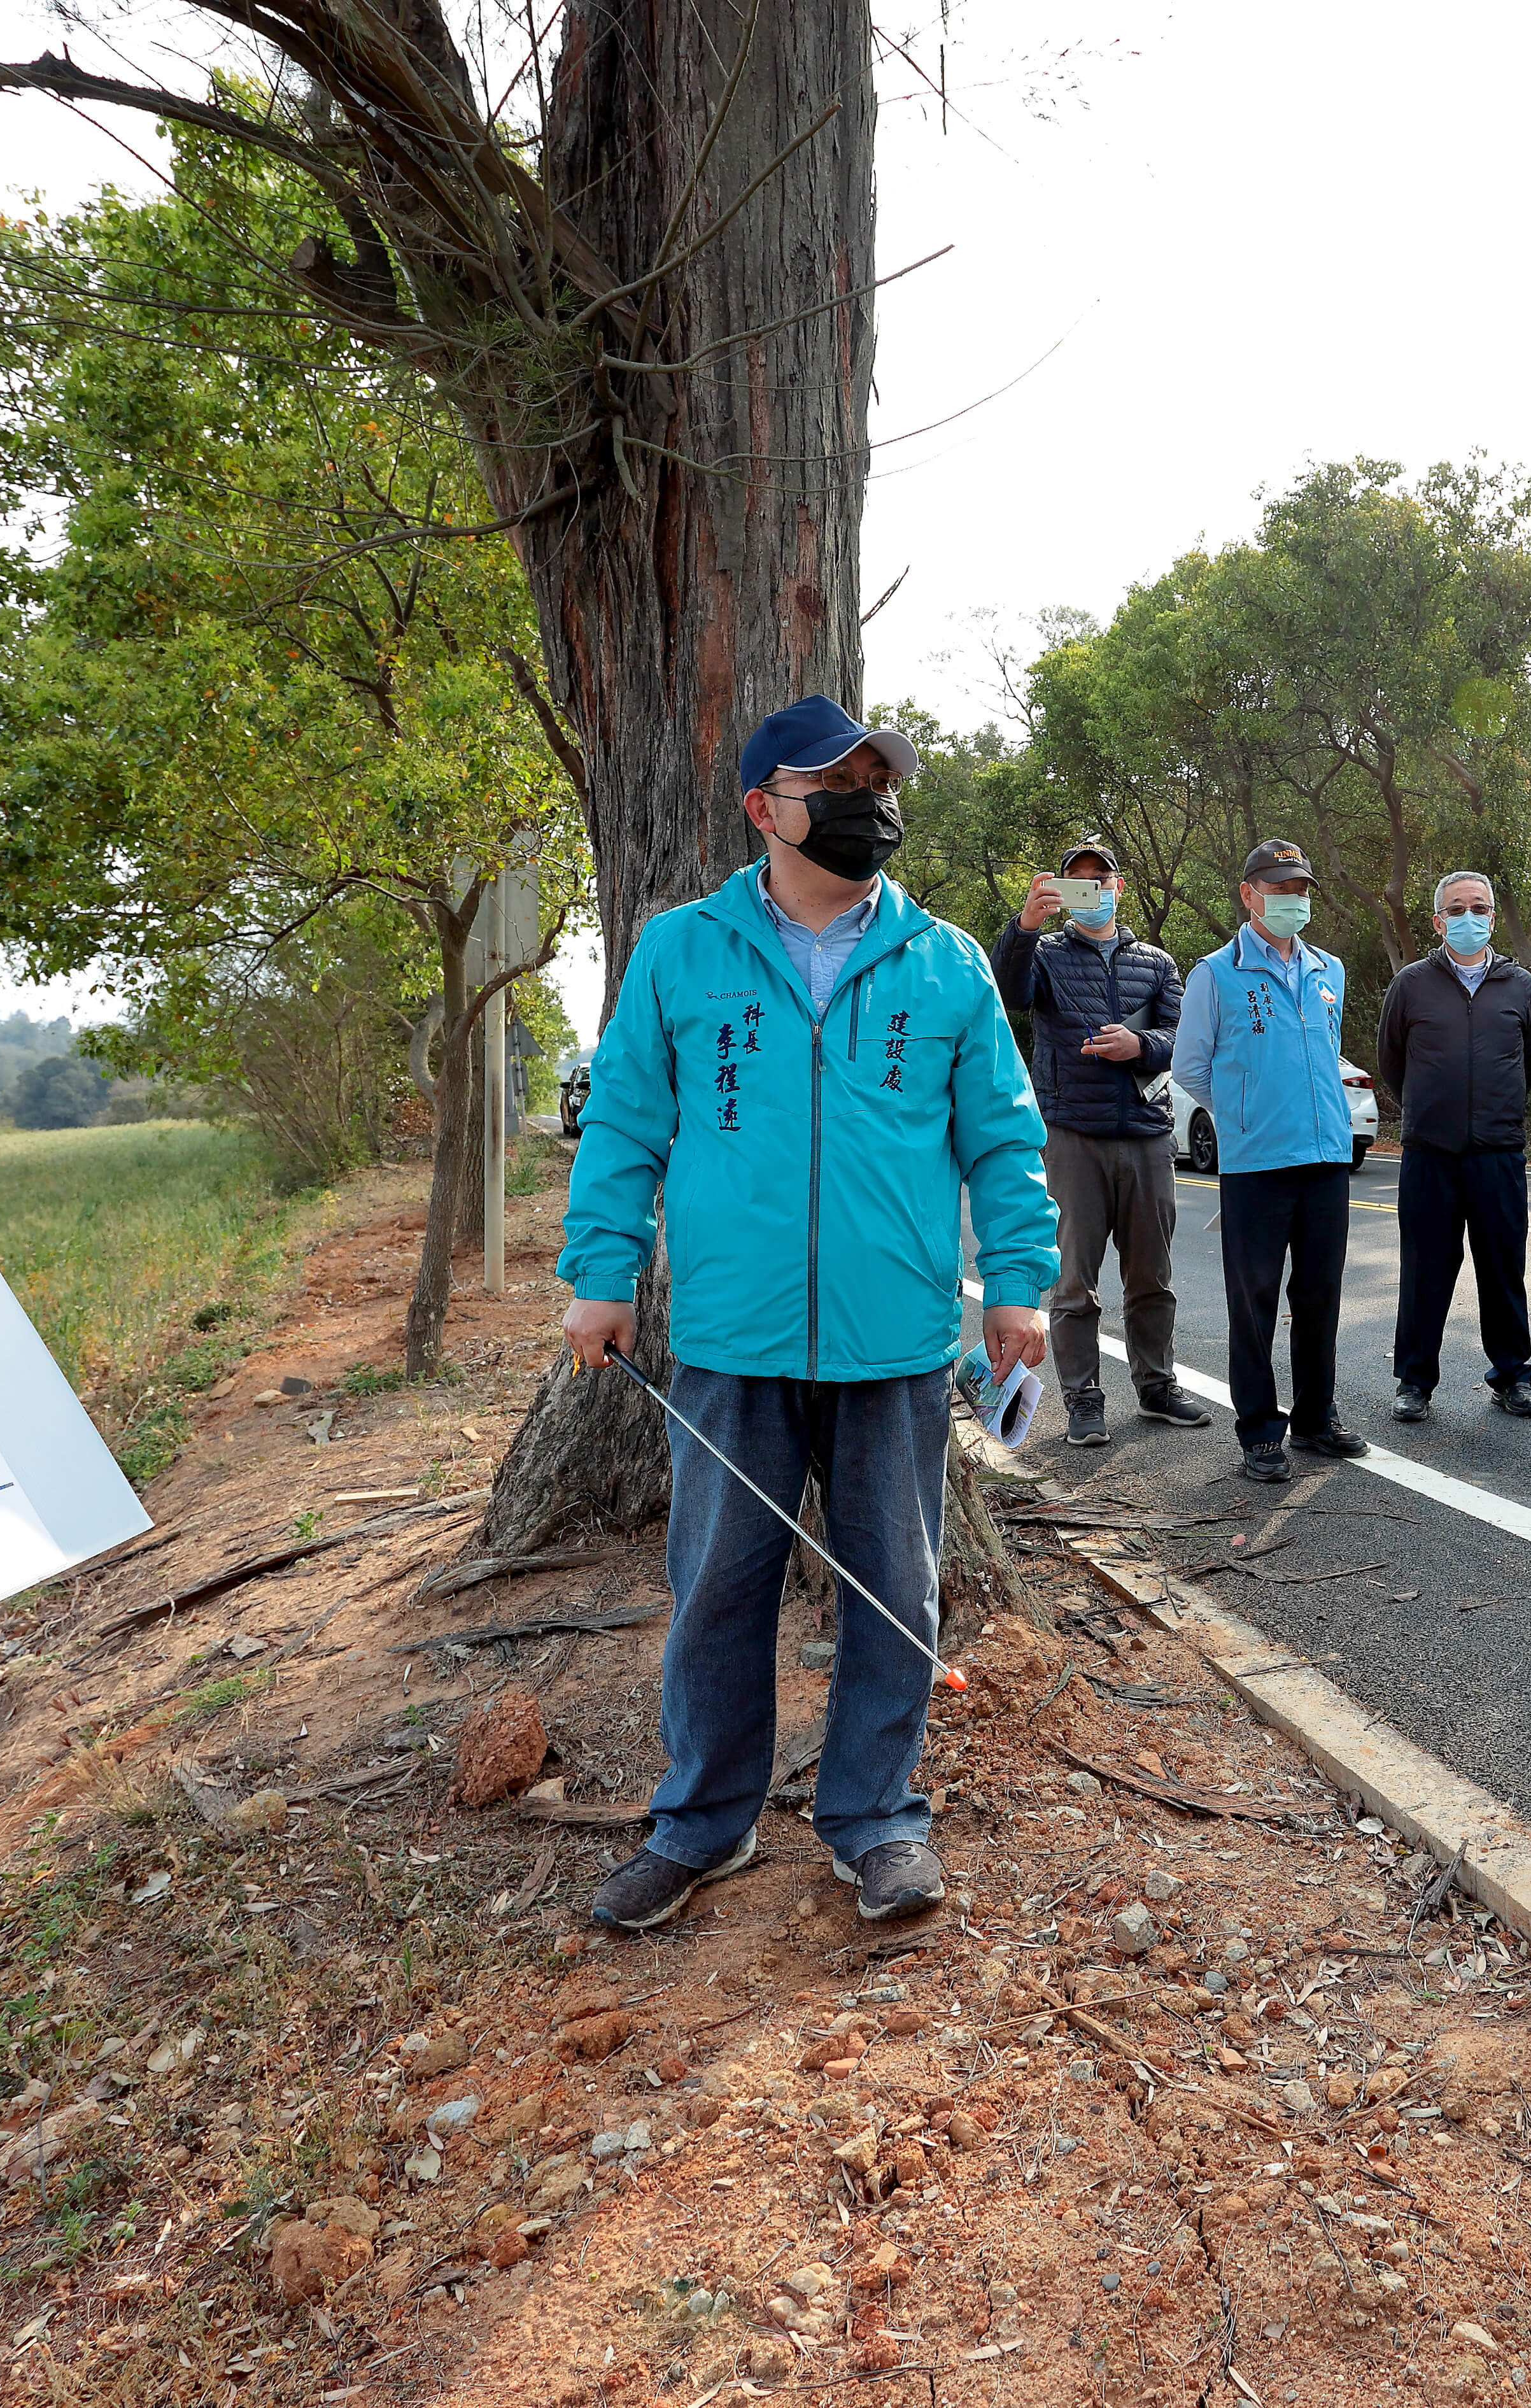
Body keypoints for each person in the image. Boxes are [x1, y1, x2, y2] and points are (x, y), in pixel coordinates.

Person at [563, 696, 1057, 1936]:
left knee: (895, 1585)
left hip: (893, 1339)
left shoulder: (945, 962)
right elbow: (623, 1121)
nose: (864, 798)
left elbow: (1002, 1139)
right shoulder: (682, 951)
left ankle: (875, 1817)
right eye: (832, 780)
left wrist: (1018, 1282)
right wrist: (601, 1273)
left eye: (877, 777)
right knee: (720, 1586)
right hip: (731, 1336)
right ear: (761, 809)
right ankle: (702, 1822)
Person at [993, 836, 1207, 1449]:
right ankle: (1083, 1398)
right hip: (1071, 1135)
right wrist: (1024, 925)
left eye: (1101, 878)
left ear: (1118, 886)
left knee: (1151, 1276)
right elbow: (1006, 997)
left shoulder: (1157, 963)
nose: (1092, 888)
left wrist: (1140, 1047)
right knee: (1073, 1280)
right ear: (1063, 889)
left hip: (1145, 1135)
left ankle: (1157, 1386)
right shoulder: (1047, 955)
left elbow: (1183, 1038)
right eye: (1078, 880)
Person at [1172, 839, 1369, 1484]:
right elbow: (1190, 1067)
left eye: (1302, 889)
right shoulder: (1216, 972)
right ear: (1249, 892)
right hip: (1257, 1164)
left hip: (1325, 1158)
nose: (1292, 899)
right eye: (1279, 888)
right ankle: (1260, 1430)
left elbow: (1327, 1055)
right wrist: (1244, 1114)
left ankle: (1316, 1418)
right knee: (1252, 1301)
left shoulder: (1328, 970)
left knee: (1320, 1296)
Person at [1377, 870, 1531, 1422]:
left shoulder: (1519, 985)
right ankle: (1414, 1381)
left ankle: (1512, 1377)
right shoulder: (1410, 984)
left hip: (1498, 1152)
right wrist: (1431, 1111)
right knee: (1425, 1270)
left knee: (1503, 1270)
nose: (1467, 917)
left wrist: (1496, 1110)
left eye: (1478, 907)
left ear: (1493, 917)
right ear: (1437, 920)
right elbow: (1392, 1063)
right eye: (1456, 909)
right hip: (1429, 1153)